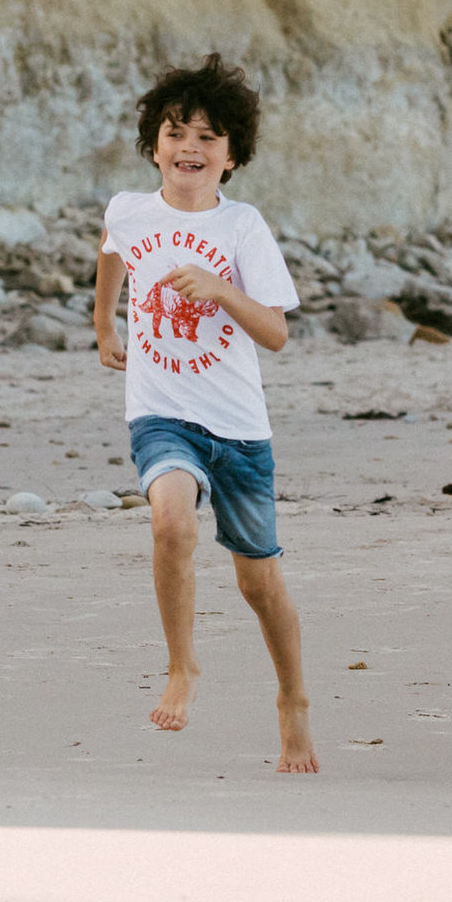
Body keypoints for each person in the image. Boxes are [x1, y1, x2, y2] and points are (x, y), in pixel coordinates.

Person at [95, 53, 315, 773]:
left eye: (208, 137)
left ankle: (292, 698)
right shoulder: (128, 210)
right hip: (162, 413)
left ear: (231, 156)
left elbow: (277, 333)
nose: (189, 146)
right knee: (170, 521)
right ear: (153, 142)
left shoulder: (243, 227)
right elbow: (112, 256)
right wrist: (105, 325)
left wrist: (221, 290)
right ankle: (183, 666)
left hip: (240, 427)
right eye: (175, 131)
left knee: (259, 582)